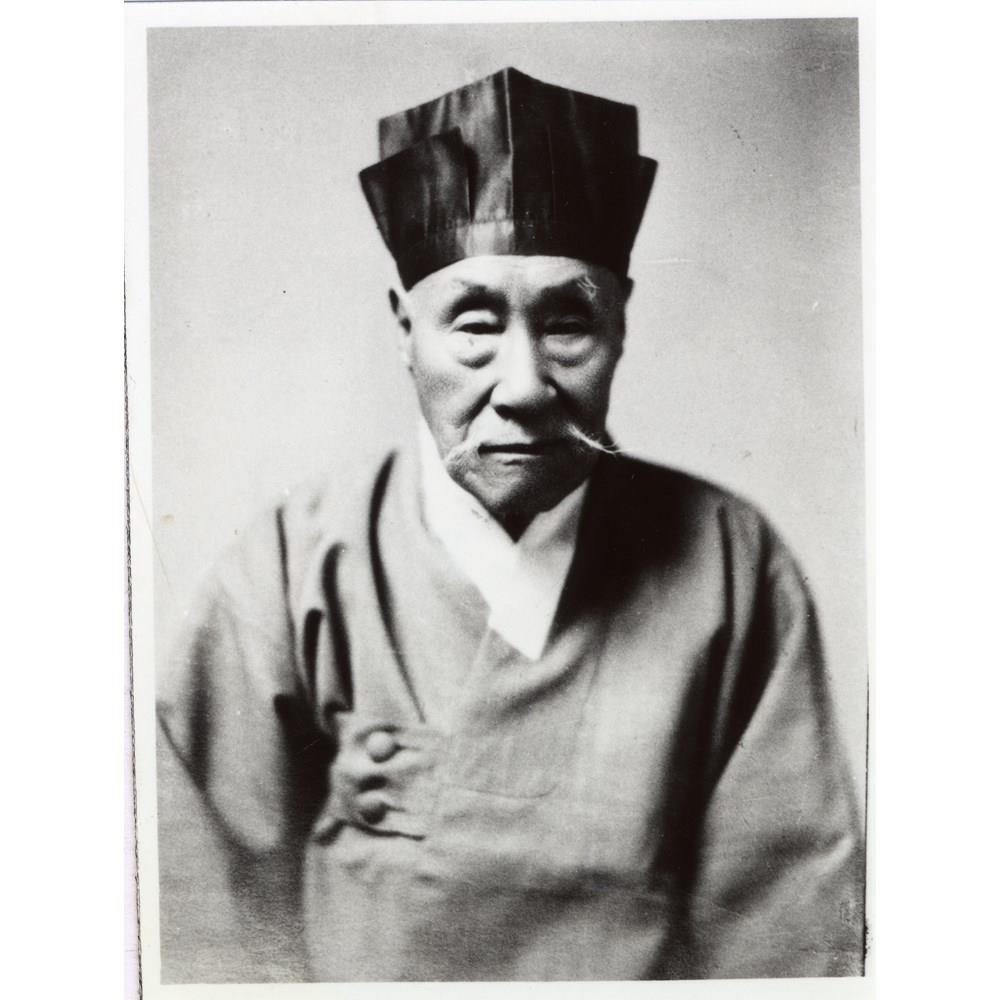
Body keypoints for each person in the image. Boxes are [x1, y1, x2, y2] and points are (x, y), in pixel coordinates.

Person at [156, 67, 865, 983]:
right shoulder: (295, 562)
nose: (525, 386)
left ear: (621, 326)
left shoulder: (730, 565)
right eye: (474, 325)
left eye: (569, 324)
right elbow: (203, 916)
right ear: (404, 329)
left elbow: (789, 933)